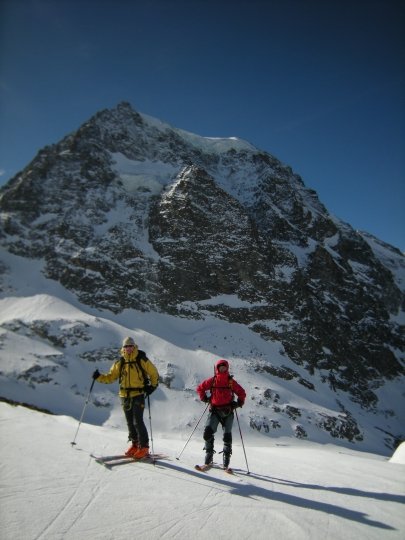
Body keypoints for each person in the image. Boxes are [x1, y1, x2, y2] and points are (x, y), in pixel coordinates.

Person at [92, 337, 159, 459]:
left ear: (134, 347)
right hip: (124, 396)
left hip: (138, 394)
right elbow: (111, 377)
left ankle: (144, 447)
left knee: (137, 421)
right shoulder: (120, 362)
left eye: (130, 346)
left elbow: (153, 372)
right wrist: (98, 377)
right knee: (130, 422)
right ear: (123, 348)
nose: (128, 348)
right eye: (126, 346)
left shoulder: (141, 359)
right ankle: (135, 444)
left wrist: (152, 387)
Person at [196, 359, 246, 469]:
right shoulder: (213, 380)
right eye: (220, 367)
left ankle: (226, 459)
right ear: (217, 368)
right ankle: (209, 454)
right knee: (207, 433)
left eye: (224, 367)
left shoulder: (230, 382)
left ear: (227, 368)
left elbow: (241, 392)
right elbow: (200, 388)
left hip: (227, 411)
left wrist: (239, 402)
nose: (222, 369)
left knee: (227, 437)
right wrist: (204, 397)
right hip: (215, 410)